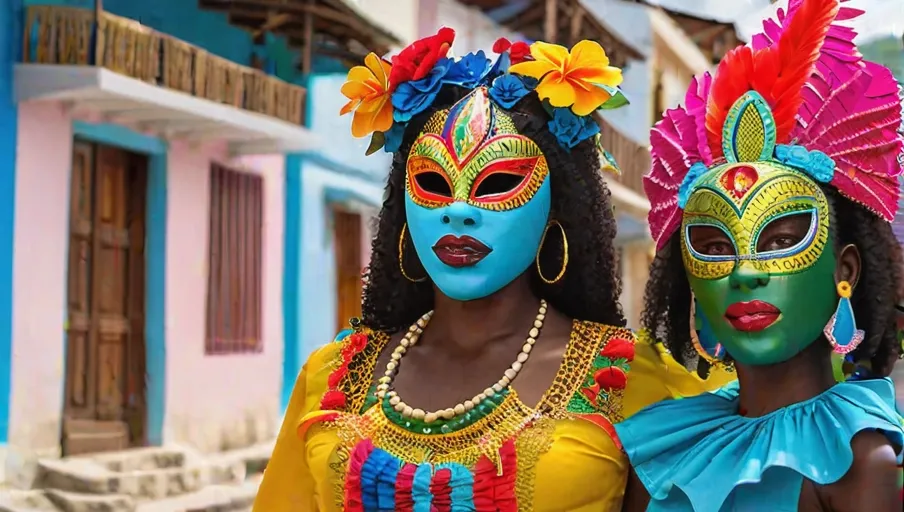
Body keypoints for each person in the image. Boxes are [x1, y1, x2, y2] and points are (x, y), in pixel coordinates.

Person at [252, 29, 730, 512]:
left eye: (496, 183)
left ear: (555, 211)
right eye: (434, 183)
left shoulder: (629, 381)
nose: (457, 212)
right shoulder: (332, 377)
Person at [616, 0, 904, 510]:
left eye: (779, 241)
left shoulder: (857, 460)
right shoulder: (663, 445)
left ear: (846, 269)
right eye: (713, 248)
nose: (744, 273)